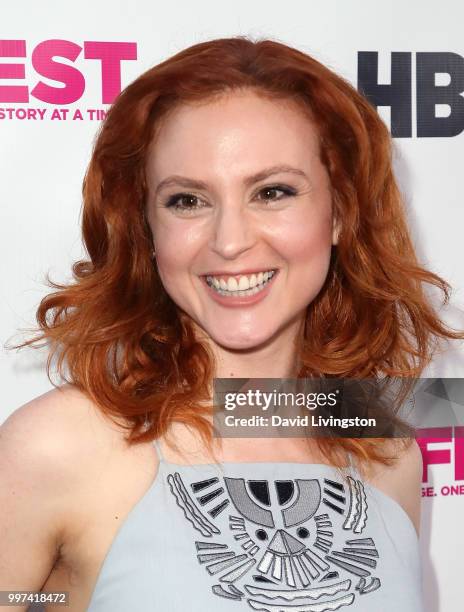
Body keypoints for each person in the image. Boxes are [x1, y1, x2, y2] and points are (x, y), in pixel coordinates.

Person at [1, 36, 462, 612]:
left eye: (273, 192)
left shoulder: (384, 449)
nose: (230, 241)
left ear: (341, 211)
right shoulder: (59, 445)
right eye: (187, 201)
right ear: (144, 228)